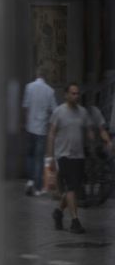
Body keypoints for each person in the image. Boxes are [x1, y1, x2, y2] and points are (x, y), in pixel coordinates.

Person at [47, 83, 101, 234]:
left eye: (77, 94)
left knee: (74, 189)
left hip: (79, 156)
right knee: (71, 188)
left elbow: (89, 128)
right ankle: (75, 221)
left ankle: (58, 212)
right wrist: (50, 157)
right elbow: (51, 133)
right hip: (64, 155)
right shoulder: (59, 112)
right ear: (66, 95)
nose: (76, 96)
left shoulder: (82, 112)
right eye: (73, 93)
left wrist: (91, 136)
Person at [22, 70, 57, 196]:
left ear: (36, 75)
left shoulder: (29, 87)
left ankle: (30, 181)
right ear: (45, 77)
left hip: (30, 127)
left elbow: (26, 107)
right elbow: (54, 111)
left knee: (30, 155)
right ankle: (37, 187)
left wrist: (26, 124)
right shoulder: (50, 91)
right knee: (39, 158)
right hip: (41, 129)